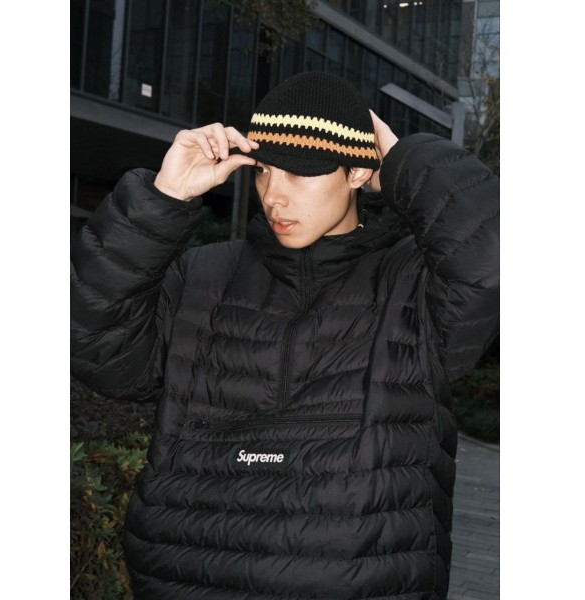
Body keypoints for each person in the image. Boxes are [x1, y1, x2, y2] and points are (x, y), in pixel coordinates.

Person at [71, 71, 499, 599]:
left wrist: (404, 162)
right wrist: (162, 199)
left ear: (358, 172)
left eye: (300, 173)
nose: (274, 195)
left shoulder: (414, 284)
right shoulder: (203, 275)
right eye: (264, 171)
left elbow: (493, 261)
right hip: (186, 578)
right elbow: (96, 348)